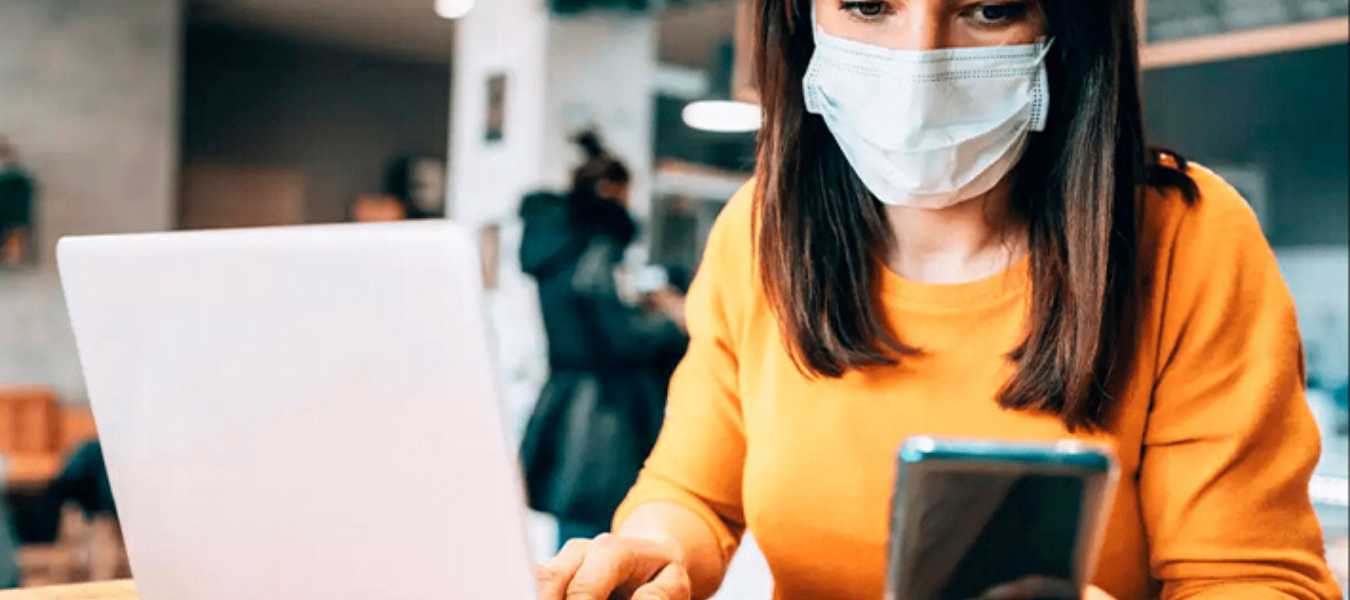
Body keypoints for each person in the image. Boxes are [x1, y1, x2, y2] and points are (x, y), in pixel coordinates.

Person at [536, 1, 1340, 599]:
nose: (919, 63)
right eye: (867, 5)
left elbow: (1254, 578)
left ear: (1067, 28)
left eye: (990, 10)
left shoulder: (1186, 240)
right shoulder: (759, 231)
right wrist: (653, 552)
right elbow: (691, 495)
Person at [519, 132, 689, 550]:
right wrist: (672, 322)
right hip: (602, 418)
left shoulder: (554, 247)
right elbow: (619, 334)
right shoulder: (597, 249)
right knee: (600, 538)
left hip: (565, 398)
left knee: (573, 539)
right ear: (612, 191)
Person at [0, 136, 35, 267]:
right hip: (12, 213)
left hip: (14, 212)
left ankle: (14, 257)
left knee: (15, 233)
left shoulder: (16, 176)